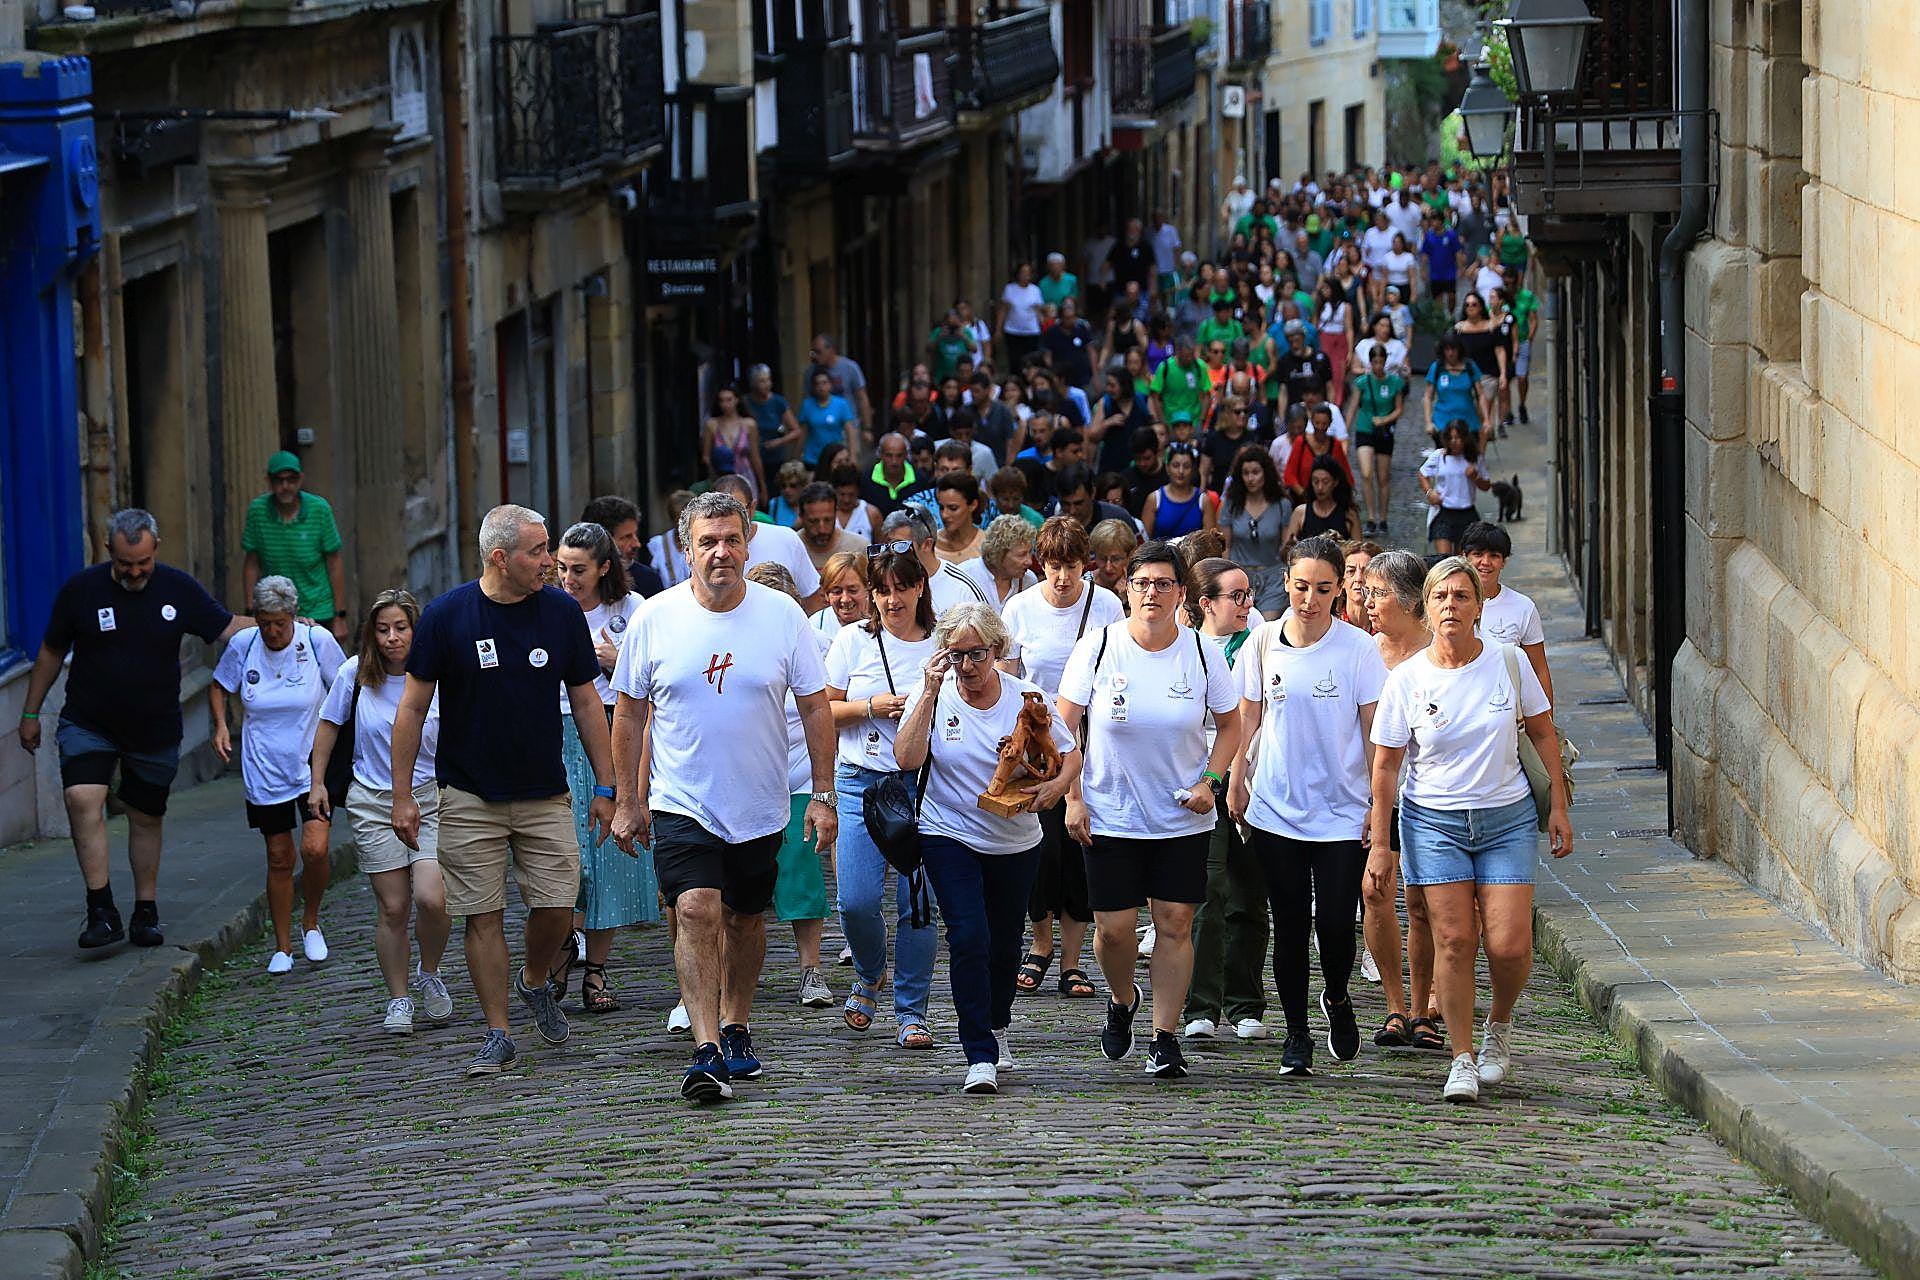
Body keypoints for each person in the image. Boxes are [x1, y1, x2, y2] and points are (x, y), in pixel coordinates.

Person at [609, 491, 838, 1103]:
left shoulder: (781, 616)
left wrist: (822, 793)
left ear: (747, 545)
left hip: (760, 801)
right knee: (695, 909)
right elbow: (628, 713)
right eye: (707, 542)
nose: (720, 552)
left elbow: (815, 706)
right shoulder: (655, 618)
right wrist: (628, 799)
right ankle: (706, 1048)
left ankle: (736, 1023)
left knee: (744, 917)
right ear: (687, 551)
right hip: (682, 798)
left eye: (731, 540)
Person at [391, 504, 614, 1077]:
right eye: (538, 552)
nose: (550, 562)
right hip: (468, 794)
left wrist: (606, 783)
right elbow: (411, 708)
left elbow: (587, 701)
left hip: (544, 791)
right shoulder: (446, 616)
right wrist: (402, 794)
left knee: (559, 906)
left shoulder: (560, 612)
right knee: (482, 914)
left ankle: (534, 979)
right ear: (499, 557)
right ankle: (498, 1031)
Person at [1368, 558, 1573, 1103]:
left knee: (1509, 943)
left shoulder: (1507, 662)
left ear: (1479, 608)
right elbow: (1386, 766)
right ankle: (1460, 1058)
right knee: (1455, 939)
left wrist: (1557, 805)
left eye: (1462, 596)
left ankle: (1498, 1026)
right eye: (1441, 597)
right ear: (1425, 607)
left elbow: (1543, 732)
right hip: (1433, 822)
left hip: (1506, 818)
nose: (1451, 606)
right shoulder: (1408, 679)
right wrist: (1381, 844)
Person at [19, 509, 248, 949]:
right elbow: (50, 651)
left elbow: (226, 629)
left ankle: (146, 910)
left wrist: (282, 624)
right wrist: (30, 713)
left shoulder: (177, 588)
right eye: (125, 563)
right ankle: (101, 910)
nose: (135, 572)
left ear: (156, 548)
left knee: (145, 815)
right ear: (109, 551)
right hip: (89, 721)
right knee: (82, 798)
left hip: (153, 727)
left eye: (143, 562)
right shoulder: (81, 590)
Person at [1057, 541, 1241, 1079]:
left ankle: (1165, 1036)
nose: (1152, 593)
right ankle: (1122, 999)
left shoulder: (1201, 653)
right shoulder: (1098, 647)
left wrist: (1212, 781)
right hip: (1110, 812)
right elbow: (1064, 728)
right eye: (1142, 584)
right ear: (1127, 590)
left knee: (1174, 923)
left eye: (1163, 584)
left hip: (1182, 815)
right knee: (1114, 930)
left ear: (1181, 593)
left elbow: (1231, 726)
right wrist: (1073, 797)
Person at [895, 603, 1080, 1094]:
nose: (967, 665)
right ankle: (978, 1052)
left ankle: (997, 1022)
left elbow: (1069, 753)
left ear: (996, 650)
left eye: (976, 654)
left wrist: (1056, 788)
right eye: (956, 655)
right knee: (968, 936)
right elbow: (906, 758)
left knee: (1004, 943)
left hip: (1015, 839)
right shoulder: (934, 692)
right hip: (947, 831)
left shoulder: (1025, 697)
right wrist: (929, 691)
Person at [1227, 536, 1386, 1076]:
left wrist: (1376, 805)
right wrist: (1236, 778)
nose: (1309, 599)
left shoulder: (1358, 649)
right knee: (1290, 925)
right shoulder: (1262, 642)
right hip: (1277, 805)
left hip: (1342, 809)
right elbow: (1247, 717)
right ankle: (1297, 1034)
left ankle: (1336, 995)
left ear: (1340, 589)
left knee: (1337, 924)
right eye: (1300, 587)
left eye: (1322, 589)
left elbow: (1373, 730)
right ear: (1286, 583)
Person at [308, 589, 452, 1033]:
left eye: (401, 628)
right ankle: (399, 998)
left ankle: (430, 971)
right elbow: (328, 726)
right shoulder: (355, 675)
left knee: (432, 897)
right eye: (383, 629)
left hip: (431, 797)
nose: (392, 638)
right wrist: (317, 783)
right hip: (373, 800)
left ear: (416, 630)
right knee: (393, 907)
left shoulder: (437, 674)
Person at [1000, 517, 1124, 1002]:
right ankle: (1041, 943)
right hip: (1037, 743)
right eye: (1053, 566)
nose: (1063, 577)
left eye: (1071, 566)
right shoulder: (1020, 608)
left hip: (1093, 739)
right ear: (1041, 565)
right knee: (1040, 847)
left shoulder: (1106, 605)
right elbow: (1009, 677)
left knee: (1079, 850)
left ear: (1084, 565)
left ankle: (1072, 959)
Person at [823, 548, 941, 1046]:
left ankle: (911, 1010)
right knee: (855, 900)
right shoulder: (853, 640)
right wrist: (870, 706)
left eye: (902, 588)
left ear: (919, 587)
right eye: (883, 591)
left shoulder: (941, 642)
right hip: (860, 781)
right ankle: (870, 973)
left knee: (917, 905)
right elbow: (823, 710)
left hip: (924, 786)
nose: (893, 600)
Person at [210, 575, 348, 974]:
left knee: (315, 849)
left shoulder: (316, 641)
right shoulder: (244, 644)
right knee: (279, 856)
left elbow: (344, 688)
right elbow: (219, 685)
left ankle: (312, 922)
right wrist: (221, 725)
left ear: (293, 616)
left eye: (280, 623)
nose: (272, 631)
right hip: (264, 767)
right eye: (264, 622)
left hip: (312, 765)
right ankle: (283, 947)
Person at [551, 522, 658, 1013]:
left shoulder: (632, 611)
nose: (568, 579)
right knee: (562, 856)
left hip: (616, 726)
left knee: (605, 855)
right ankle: (557, 956)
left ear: (604, 568)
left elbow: (650, 681)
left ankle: (596, 969)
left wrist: (616, 661)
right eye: (561, 568)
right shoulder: (549, 608)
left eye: (578, 570)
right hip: (557, 729)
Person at [1355, 549, 1442, 1049]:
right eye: (1366, 592)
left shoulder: (1440, 652)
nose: (1367, 602)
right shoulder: (1363, 653)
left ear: (1411, 602)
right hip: (1375, 796)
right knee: (1375, 894)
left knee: (1424, 902)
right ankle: (1394, 1004)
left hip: (1432, 796)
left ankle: (1424, 1004)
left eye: (1379, 593)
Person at [1180, 558, 1270, 1042]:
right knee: (1208, 891)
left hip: (1253, 780)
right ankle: (1201, 1005)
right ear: (1206, 603)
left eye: (1248, 593)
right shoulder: (1184, 649)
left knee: (1249, 894)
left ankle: (1245, 1003)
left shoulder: (1259, 645)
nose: (1246, 603)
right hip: (1202, 782)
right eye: (1236, 596)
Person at [744, 562, 837, 1011]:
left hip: (798, 772)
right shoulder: (735, 642)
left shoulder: (820, 644)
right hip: (746, 778)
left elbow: (828, 707)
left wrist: (824, 787)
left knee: (801, 870)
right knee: (739, 882)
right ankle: (730, 973)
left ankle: (810, 969)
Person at [1462, 521, 1553, 702]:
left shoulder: (1523, 607)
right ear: (1464, 557)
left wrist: (1547, 716)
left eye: (1494, 556)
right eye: (1478, 554)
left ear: (1504, 561)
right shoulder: (1447, 605)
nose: (1485, 562)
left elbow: (1539, 670)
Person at [711, 476, 823, 608]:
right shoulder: (705, 551)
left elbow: (812, 597)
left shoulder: (786, 539)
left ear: (752, 508)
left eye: (738, 511)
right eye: (722, 511)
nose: (729, 519)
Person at [876, 506, 988, 617]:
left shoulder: (963, 589)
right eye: (889, 546)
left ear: (927, 544)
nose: (892, 552)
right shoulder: (885, 585)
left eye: (901, 546)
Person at [1220, 445, 1290, 617]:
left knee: (1267, 626)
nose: (1250, 478)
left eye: (1256, 472)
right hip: (1239, 575)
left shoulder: (1282, 505)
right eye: (1246, 473)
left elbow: (1286, 548)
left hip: (1273, 577)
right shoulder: (1231, 504)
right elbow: (1225, 547)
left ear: (1266, 473)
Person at [1349, 343, 1407, 536]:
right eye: (1374, 362)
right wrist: (1345, 430)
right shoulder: (1362, 382)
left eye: (1381, 362)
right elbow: (1353, 405)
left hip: (1383, 432)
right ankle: (1371, 517)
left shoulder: (1395, 382)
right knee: (1366, 473)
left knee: (1383, 477)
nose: (1378, 366)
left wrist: (1384, 419)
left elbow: (1399, 409)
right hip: (1365, 428)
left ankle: (1383, 518)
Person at [1420, 421, 1491, 555]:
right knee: (1444, 559)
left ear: (1465, 438)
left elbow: (1486, 486)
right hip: (1444, 512)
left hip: (1467, 514)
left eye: (1458, 438)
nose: (1454, 442)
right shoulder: (1439, 456)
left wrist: (1476, 477)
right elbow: (1423, 473)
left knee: (1462, 560)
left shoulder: (1474, 459)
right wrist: (1429, 492)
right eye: (1450, 438)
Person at [580, 496, 667, 598]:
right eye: (627, 537)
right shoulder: (573, 582)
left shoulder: (648, 581)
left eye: (635, 535)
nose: (636, 544)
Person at [1451, 293, 1508, 445]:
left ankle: (1480, 451)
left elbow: (1499, 350)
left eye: (1474, 304)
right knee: (1466, 413)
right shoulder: (1459, 329)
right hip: (1465, 377)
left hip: (1487, 375)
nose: (1470, 307)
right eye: (1467, 304)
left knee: (1483, 414)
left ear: (1481, 307)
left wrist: (1503, 373)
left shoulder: (1491, 327)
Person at [702, 384, 767, 503]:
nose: (725, 404)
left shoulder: (749, 424)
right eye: (721, 400)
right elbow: (706, 457)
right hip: (720, 477)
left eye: (729, 399)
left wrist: (762, 485)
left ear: (737, 400)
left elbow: (755, 457)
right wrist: (713, 476)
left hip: (745, 475)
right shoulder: (712, 425)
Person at [960, 514, 1038, 611]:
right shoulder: (964, 576)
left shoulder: (1029, 581)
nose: (1029, 562)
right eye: (1021, 555)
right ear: (999, 553)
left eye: (1030, 552)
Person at [807, 334, 873, 447]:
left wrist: (867, 428)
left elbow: (862, 398)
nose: (815, 356)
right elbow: (808, 400)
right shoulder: (811, 372)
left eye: (819, 352)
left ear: (830, 350)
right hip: (821, 428)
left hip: (847, 426)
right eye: (813, 352)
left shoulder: (849, 367)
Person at [1141, 443, 1217, 540]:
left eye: (1186, 466)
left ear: (1193, 469)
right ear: (1167, 468)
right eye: (1176, 465)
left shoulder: (1203, 500)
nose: (1181, 471)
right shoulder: (1154, 499)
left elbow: (1210, 542)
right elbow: (1144, 541)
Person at [745, 363, 804, 480]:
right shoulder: (746, 402)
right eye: (762, 381)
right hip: (751, 458)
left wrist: (778, 442)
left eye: (768, 380)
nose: (766, 384)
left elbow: (796, 431)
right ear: (753, 383)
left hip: (775, 458)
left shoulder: (778, 402)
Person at [798, 369, 860, 468]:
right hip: (812, 458)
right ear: (813, 387)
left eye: (824, 383)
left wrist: (853, 456)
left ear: (830, 385)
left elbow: (850, 432)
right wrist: (797, 456)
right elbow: (802, 433)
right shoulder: (807, 405)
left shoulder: (841, 404)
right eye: (817, 384)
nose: (821, 387)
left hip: (836, 458)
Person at [997, 261, 1046, 372]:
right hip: (1013, 330)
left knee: (1031, 361)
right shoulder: (1010, 289)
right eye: (1023, 273)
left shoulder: (1035, 290)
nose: (1025, 276)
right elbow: (1003, 310)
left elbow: (1038, 311)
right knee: (1015, 361)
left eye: (1028, 273)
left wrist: (1043, 325)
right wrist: (998, 329)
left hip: (1031, 331)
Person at [814, 550, 869, 640]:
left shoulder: (885, 621)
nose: (845, 599)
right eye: (837, 592)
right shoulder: (815, 627)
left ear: (867, 588)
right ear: (826, 594)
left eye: (852, 590)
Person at [648, 491, 693, 588]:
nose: (682, 525)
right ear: (671, 519)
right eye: (677, 520)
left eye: (686, 521)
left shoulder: (700, 543)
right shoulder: (658, 545)